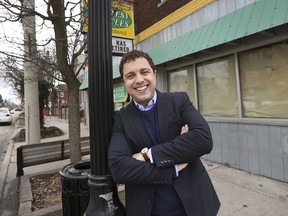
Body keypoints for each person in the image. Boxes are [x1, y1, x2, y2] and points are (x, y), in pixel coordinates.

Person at [108, 50, 220, 216]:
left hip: (195, 207)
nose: (139, 80)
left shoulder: (179, 101)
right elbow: (119, 169)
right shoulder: (120, 119)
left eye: (144, 72)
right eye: (130, 75)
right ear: (124, 81)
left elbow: (203, 139)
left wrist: (147, 155)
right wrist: (173, 167)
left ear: (154, 74)